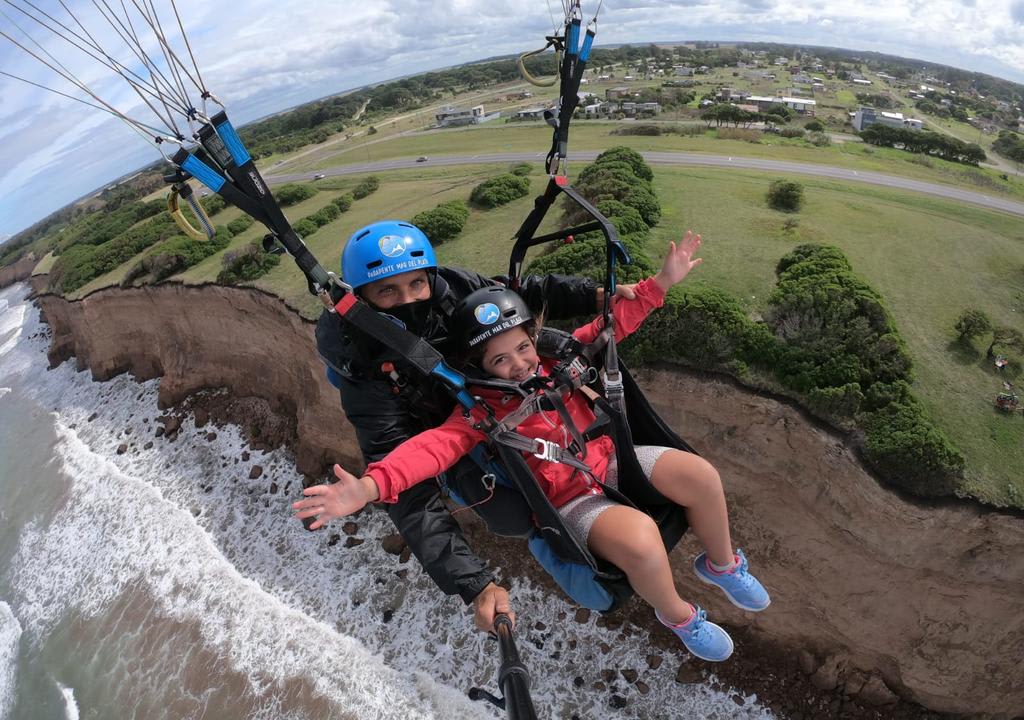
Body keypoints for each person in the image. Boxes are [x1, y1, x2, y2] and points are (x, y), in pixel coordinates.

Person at [295, 231, 770, 662]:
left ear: (534, 340)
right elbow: (429, 451)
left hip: (607, 461)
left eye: (523, 349)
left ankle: (722, 565)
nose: (518, 365)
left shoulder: (551, 359)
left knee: (701, 475)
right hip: (570, 498)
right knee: (644, 541)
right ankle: (679, 617)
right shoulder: (476, 410)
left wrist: (658, 284)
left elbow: (608, 326)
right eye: (499, 360)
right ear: (478, 366)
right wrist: (371, 487)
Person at [308, 219, 632, 632]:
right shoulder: (364, 367)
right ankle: (553, 537)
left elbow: (515, 295)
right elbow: (409, 493)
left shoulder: (451, 289)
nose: (407, 299)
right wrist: (474, 584)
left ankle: (590, 485)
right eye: (387, 291)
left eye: (415, 285)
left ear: (430, 277)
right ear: (363, 299)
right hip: (442, 428)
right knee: (509, 512)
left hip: (496, 388)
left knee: (567, 417)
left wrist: (594, 294)